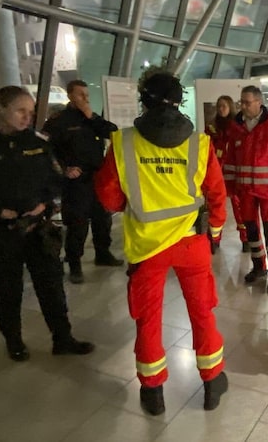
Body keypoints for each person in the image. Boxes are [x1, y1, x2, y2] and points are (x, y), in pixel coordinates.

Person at [95, 72, 229, 416]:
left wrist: (137, 204)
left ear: (144, 100)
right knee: (202, 311)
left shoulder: (122, 142)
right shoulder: (200, 143)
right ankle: (213, 381)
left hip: (146, 245)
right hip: (191, 244)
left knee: (148, 318)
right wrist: (213, 233)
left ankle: (153, 391)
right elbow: (216, 194)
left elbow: (109, 198)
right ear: (179, 99)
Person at [0, 85, 94, 362]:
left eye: (30, 111)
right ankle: (14, 341)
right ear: (0, 110)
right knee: (8, 290)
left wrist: (46, 204)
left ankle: (62, 339)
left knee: (52, 287)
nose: (27, 117)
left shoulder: (38, 142)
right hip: (0, 231)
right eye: (20, 111)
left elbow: (55, 180)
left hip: (38, 227)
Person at [42, 79, 122, 285]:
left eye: (87, 95)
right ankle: (75, 263)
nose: (85, 99)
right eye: (80, 95)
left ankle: (103, 253)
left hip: (98, 176)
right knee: (77, 223)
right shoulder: (59, 121)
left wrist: (91, 116)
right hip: (75, 181)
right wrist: (64, 169)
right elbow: (46, 151)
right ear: (70, 96)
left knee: (102, 218)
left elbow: (113, 133)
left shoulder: (92, 119)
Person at [223, 85, 268, 293]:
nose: (242, 106)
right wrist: (229, 186)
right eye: (241, 102)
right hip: (244, 192)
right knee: (251, 231)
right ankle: (259, 267)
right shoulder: (235, 127)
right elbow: (230, 160)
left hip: (267, 191)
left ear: (259, 102)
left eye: (247, 102)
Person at [206, 95, 248, 253]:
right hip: (215, 172)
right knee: (215, 207)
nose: (221, 109)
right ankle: (214, 240)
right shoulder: (211, 127)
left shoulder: (238, 127)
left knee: (239, 207)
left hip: (233, 171)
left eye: (224, 105)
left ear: (230, 107)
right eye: (218, 106)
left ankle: (245, 239)